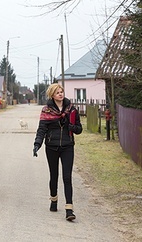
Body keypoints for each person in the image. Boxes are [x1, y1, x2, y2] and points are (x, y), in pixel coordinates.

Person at [33, 83, 82, 221]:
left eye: (62, 91)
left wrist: (72, 127)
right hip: (52, 146)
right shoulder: (47, 110)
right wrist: (37, 143)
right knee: (53, 175)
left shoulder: (72, 109)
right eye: (57, 92)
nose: (61, 94)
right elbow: (41, 129)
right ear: (52, 95)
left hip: (67, 146)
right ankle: (54, 200)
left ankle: (69, 209)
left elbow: (79, 129)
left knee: (67, 177)